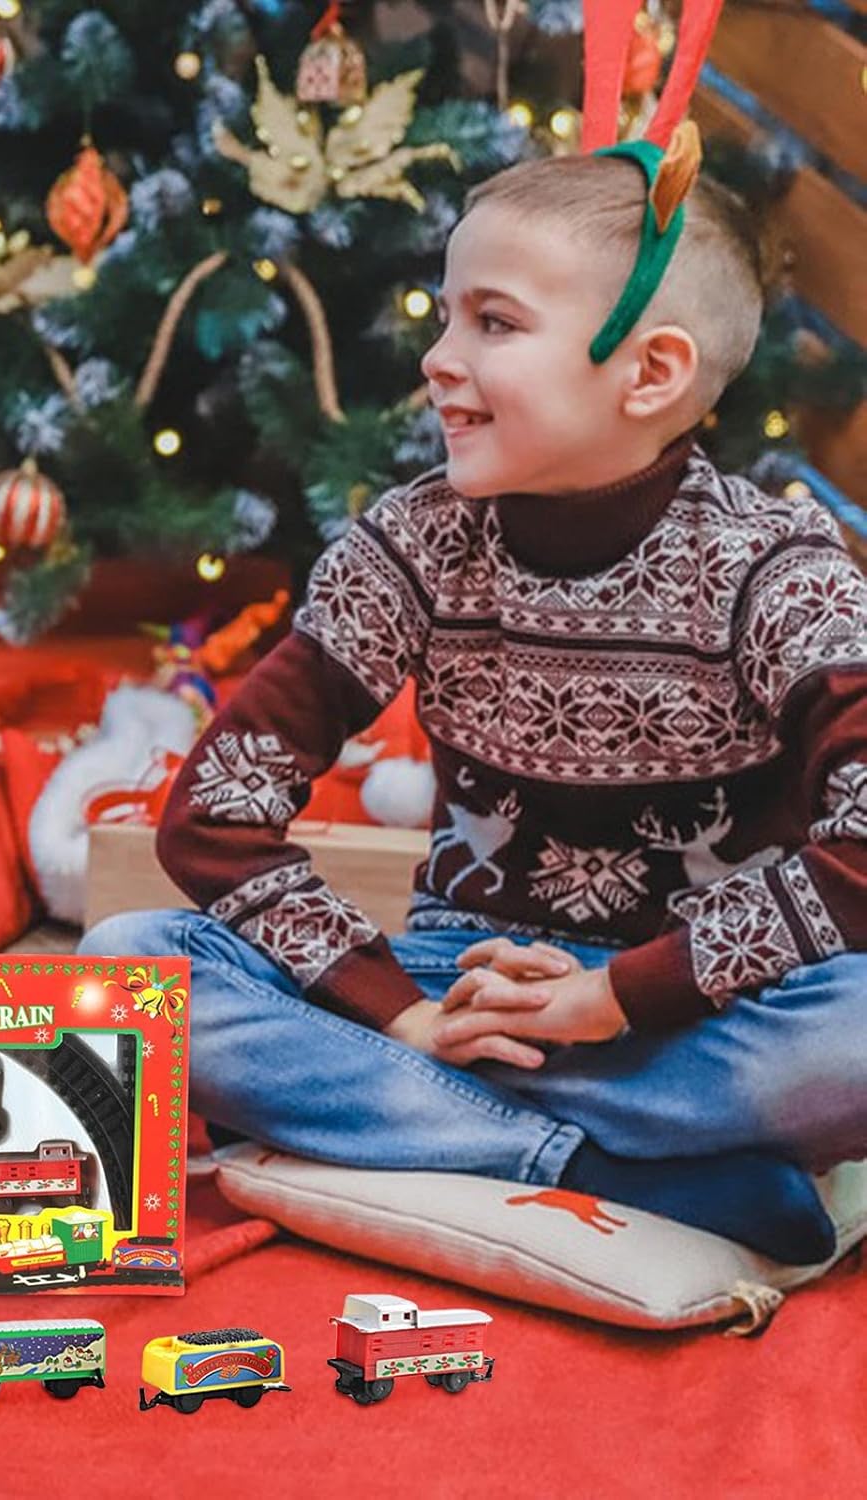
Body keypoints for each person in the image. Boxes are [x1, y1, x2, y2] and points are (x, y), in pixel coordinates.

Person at [81, 145, 867, 1266]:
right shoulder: (412, 545)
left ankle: (430, 1126)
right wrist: (399, 1010)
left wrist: (619, 995)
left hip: (692, 1010)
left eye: (493, 323)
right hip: (460, 988)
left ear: (650, 374)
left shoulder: (778, 569)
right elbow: (217, 812)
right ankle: (606, 1169)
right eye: (445, 316)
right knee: (130, 964)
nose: (438, 359)